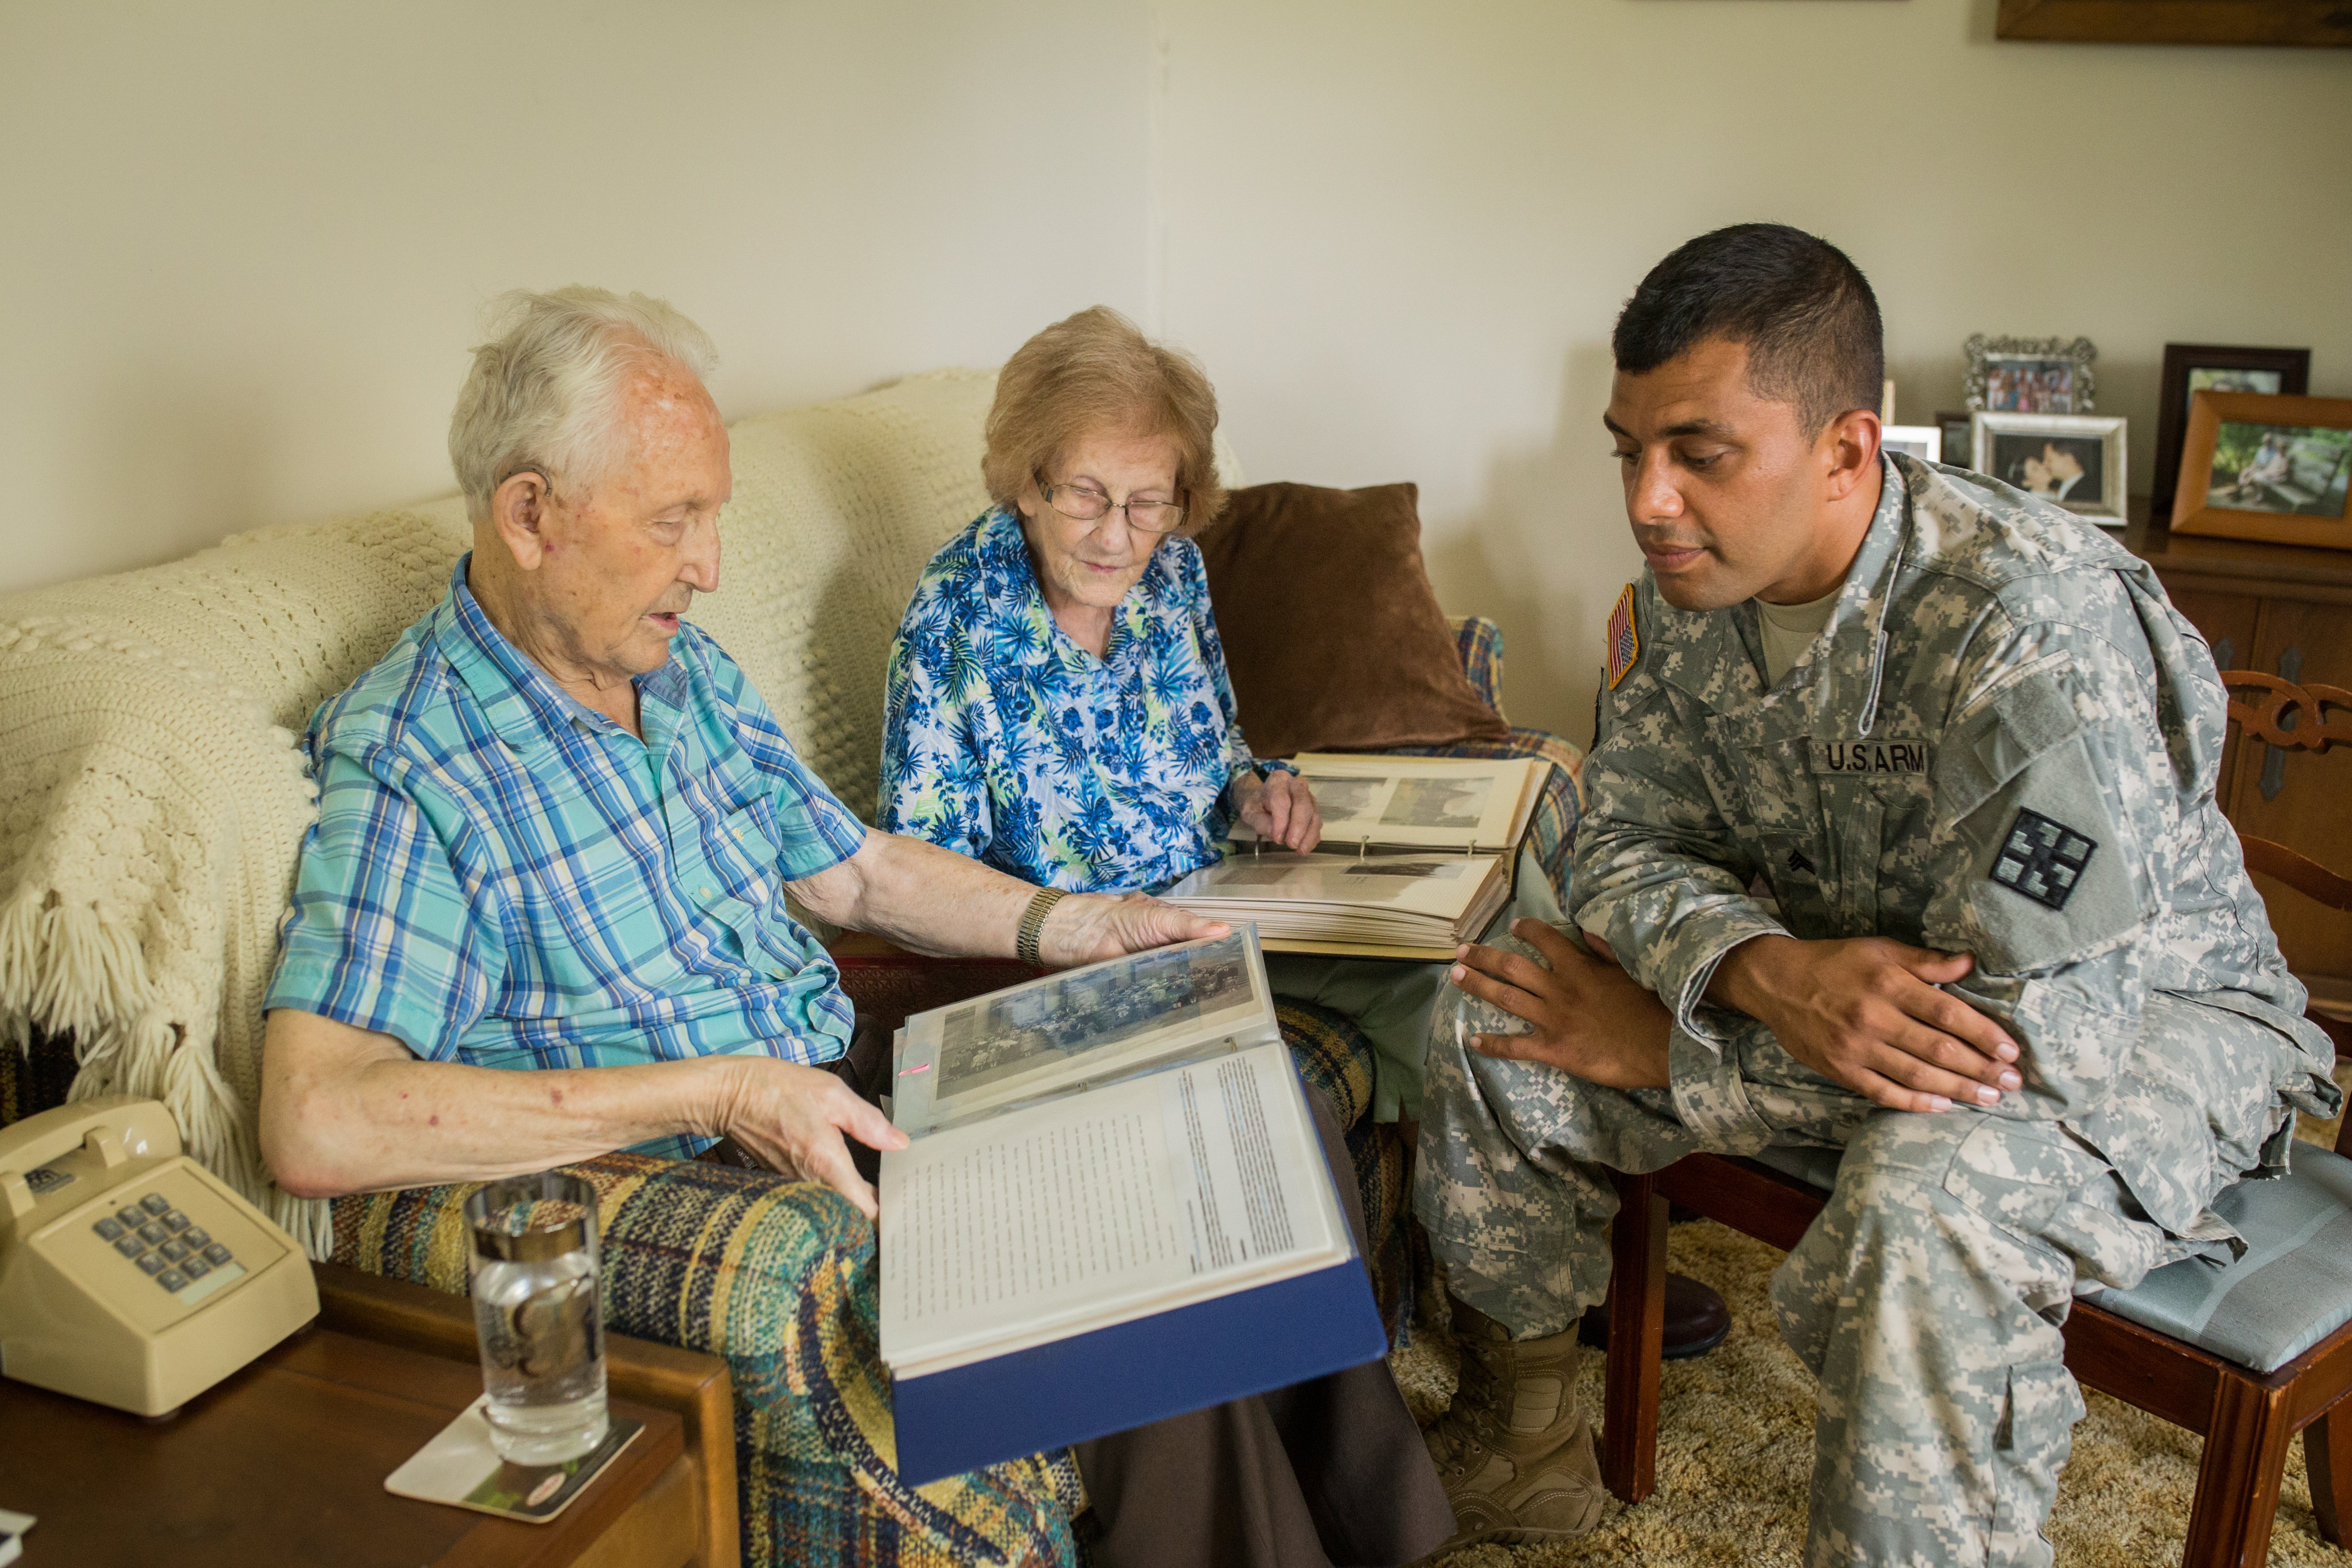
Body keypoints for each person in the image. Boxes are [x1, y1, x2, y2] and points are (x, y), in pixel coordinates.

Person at [257, 287, 1442, 1568]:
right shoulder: (418, 759)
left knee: (1231, 1092)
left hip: (860, 1078)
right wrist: (728, 1089)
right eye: (674, 523)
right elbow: (319, 1118)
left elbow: (861, 874)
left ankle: (1386, 1535)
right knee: (1130, 1246)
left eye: (713, 517)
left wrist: (1078, 925)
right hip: (742, 1163)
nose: (708, 566)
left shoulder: (680, 671)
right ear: (529, 515)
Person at [1414, 224, 2339, 1563]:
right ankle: (1528, 1443)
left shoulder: (2028, 627)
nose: (1648, 502)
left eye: (1699, 454)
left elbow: (2038, 1043)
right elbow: (1614, 840)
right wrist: (1755, 974)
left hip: (2148, 1024)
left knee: (1930, 1212)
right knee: (1494, 1014)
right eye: (1630, 452)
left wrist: (1683, 1048)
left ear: (1849, 448)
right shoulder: (1682, 599)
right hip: (1832, 983)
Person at [873, 305, 1456, 1566]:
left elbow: (1215, 746)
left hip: (1218, 929)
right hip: (1052, 987)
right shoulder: (954, 618)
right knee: (1277, 1127)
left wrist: (1260, 790)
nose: (1121, 537)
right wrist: (1084, 945)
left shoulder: (1173, 577)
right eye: (1088, 497)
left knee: (1457, 984)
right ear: (1022, 481)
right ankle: (1352, 1526)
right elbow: (918, 878)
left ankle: (1379, 1502)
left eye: (1152, 502)